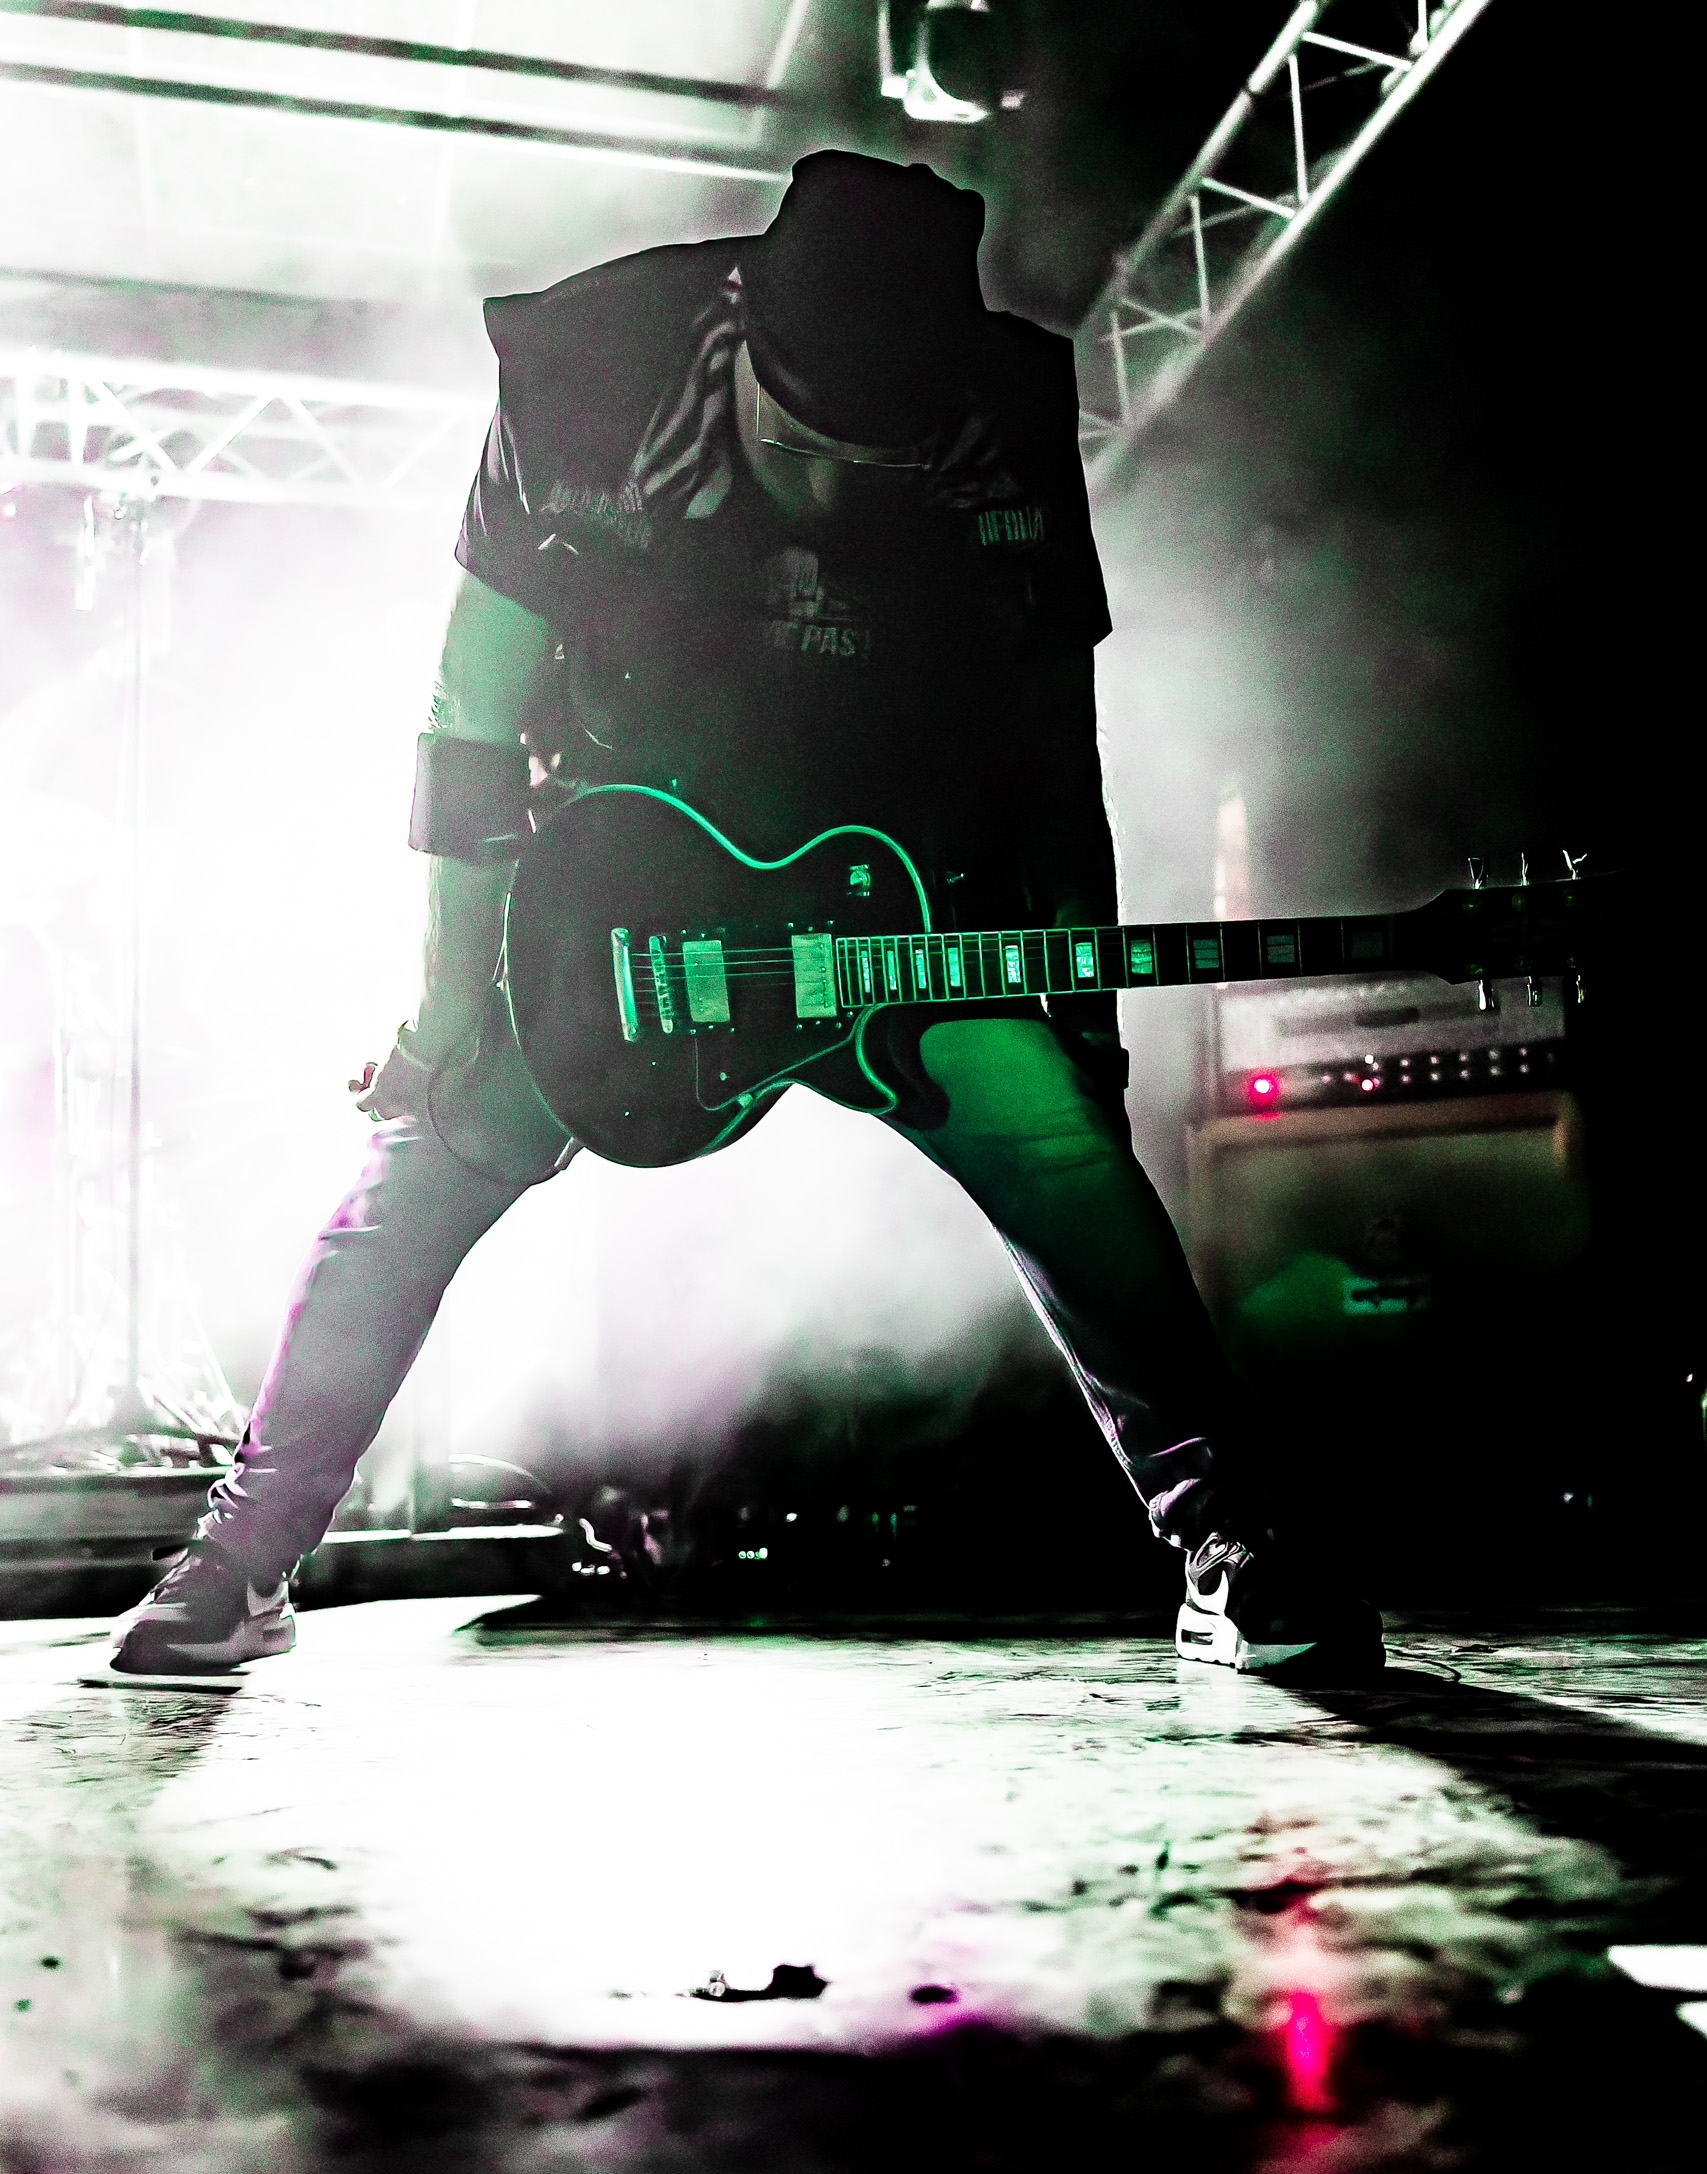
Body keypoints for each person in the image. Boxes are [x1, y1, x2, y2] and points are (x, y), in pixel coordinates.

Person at [106, 152, 1381, 1683]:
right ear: (740, 349)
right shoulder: (588, 370)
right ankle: (239, 1559)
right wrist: (445, 1007)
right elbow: (466, 726)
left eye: (875, 463)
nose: (834, 493)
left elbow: (1057, 764)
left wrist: (1088, 1040)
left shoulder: (1001, 419)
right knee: (422, 1157)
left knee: (1064, 1151)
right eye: (807, 446)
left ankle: (1233, 1547)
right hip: (623, 884)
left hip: (887, 890)